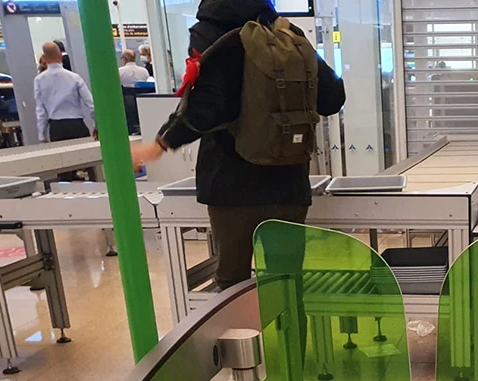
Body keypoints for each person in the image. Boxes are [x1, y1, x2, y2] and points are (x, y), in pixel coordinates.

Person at [131, 0, 344, 290]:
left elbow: (208, 104)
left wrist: (162, 143)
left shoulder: (210, 33)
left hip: (230, 182)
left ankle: (238, 336)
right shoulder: (287, 33)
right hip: (289, 183)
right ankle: (288, 335)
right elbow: (332, 98)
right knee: (286, 286)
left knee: (232, 289)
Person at [34, 41, 95, 142]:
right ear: (60, 56)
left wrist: (42, 135)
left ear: (44, 58)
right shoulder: (75, 78)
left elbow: (40, 110)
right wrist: (96, 125)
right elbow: (91, 104)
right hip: (77, 126)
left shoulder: (39, 80)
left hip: (56, 128)